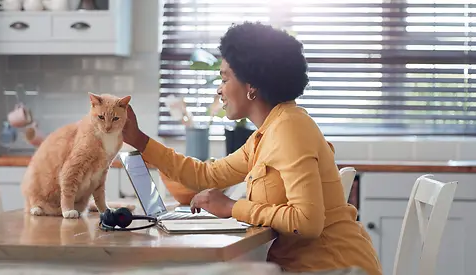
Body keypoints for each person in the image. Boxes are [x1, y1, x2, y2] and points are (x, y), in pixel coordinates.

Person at [122, 22, 382, 275]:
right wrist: (139, 140)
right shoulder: (267, 133)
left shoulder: (289, 129)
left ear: (252, 86)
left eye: (225, 78)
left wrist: (232, 207)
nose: (219, 89)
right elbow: (206, 175)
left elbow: (307, 223)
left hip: (334, 268)